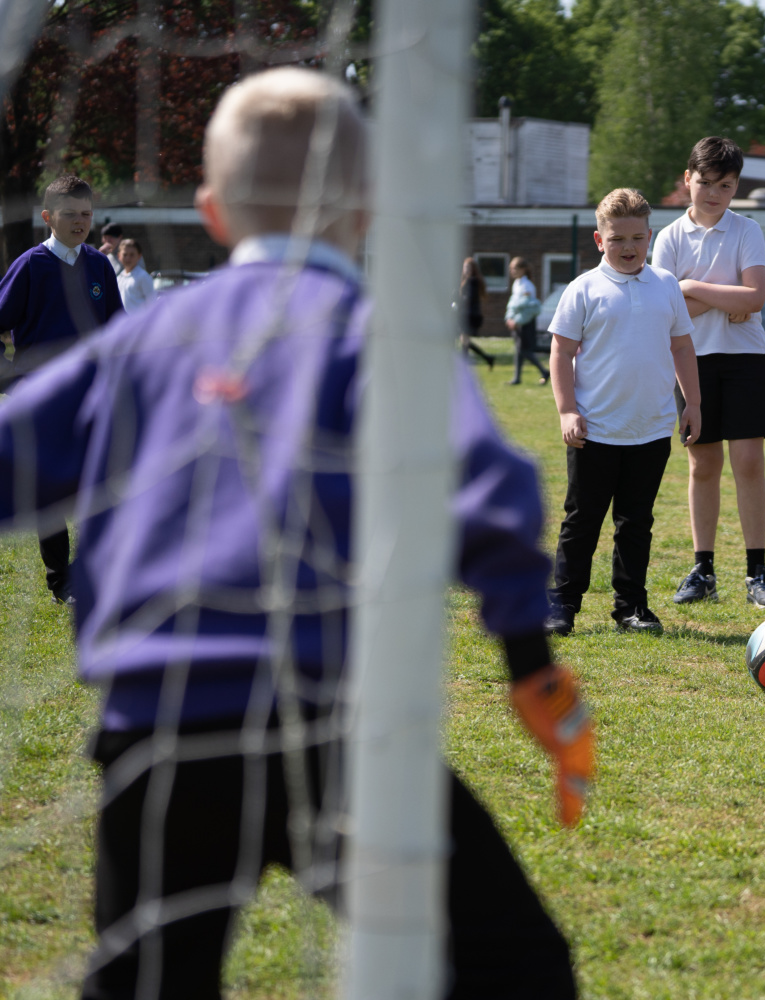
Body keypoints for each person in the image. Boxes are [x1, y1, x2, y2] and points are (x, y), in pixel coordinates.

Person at [0, 68, 590, 997]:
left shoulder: (143, 342)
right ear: (365, 212)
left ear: (213, 212)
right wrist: (529, 662)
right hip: (330, 731)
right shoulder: (378, 338)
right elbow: (491, 488)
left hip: (157, 735)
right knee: (515, 966)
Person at [543, 188, 702, 637]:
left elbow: (681, 345)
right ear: (599, 239)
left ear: (649, 237)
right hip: (594, 431)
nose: (628, 247)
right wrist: (567, 410)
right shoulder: (583, 289)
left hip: (650, 431)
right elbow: (561, 352)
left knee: (636, 524)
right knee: (582, 521)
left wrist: (693, 403)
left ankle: (631, 606)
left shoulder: (666, 285)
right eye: (617, 239)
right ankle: (563, 605)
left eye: (637, 237)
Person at [651, 136, 765, 609]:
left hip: (746, 359)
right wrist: (716, 296)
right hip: (691, 361)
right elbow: (666, 310)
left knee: (748, 462)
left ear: (736, 188)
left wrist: (692, 290)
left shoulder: (747, 230)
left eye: (725, 186)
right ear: (687, 179)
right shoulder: (667, 238)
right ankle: (703, 569)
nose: (713, 193)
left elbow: (754, 299)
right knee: (703, 463)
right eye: (705, 182)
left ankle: (756, 571)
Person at [0, 173, 124, 604]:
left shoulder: (99, 265)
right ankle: (62, 583)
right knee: (50, 493)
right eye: (70, 214)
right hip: (42, 400)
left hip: (92, 398)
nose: (79, 222)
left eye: (86, 214)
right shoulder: (30, 266)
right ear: (48, 217)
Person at [506, 256, 548, 385]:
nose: (512, 271)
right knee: (519, 351)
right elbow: (514, 305)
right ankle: (517, 378)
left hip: (526, 322)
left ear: (523, 270)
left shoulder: (527, 286)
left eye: (515, 268)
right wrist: (509, 318)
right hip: (517, 322)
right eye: (511, 269)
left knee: (525, 351)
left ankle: (544, 371)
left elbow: (528, 308)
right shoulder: (517, 284)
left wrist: (517, 321)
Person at [459, 256, 497, 369]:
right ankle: (487, 358)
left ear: (473, 269)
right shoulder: (469, 280)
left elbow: (469, 298)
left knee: (464, 339)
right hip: (469, 314)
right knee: (464, 340)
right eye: (465, 267)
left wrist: (459, 300)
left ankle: (467, 360)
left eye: (468, 267)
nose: (466, 270)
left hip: (469, 315)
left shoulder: (472, 281)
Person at [115, 237, 157, 313]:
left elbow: (152, 303)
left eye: (132, 255)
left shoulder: (143, 276)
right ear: (119, 256)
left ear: (139, 256)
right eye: (125, 254)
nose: (128, 258)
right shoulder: (119, 278)